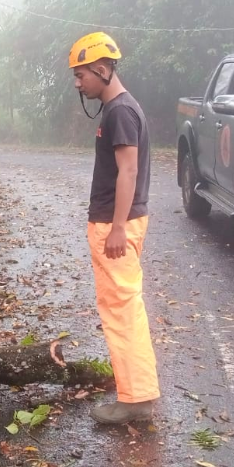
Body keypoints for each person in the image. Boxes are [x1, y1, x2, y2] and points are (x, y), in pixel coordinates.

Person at [69, 33, 161, 424]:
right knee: (121, 307)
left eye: (82, 75)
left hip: (115, 224)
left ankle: (136, 400)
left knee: (121, 309)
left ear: (103, 70)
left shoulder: (120, 112)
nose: (78, 83)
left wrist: (118, 228)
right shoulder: (117, 109)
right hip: (113, 221)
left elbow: (129, 169)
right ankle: (136, 391)